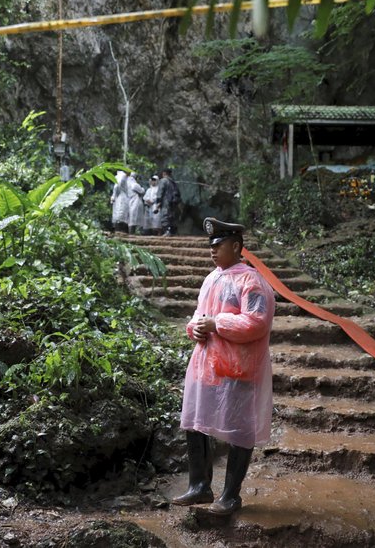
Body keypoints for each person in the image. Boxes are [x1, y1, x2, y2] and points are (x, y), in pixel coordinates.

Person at [172, 217, 275, 516]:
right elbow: (198, 316)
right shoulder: (211, 278)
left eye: (219, 245)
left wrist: (217, 324)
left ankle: (231, 496)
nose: (213, 251)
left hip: (239, 369)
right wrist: (196, 328)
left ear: (236, 246)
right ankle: (199, 487)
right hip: (206, 366)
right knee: (195, 423)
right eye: (211, 246)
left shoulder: (251, 280)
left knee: (241, 429)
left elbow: (257, 322)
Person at [158, 168, 180, 236]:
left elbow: (160, 191)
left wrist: (158, 201)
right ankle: (172, 232)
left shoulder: (163, 181)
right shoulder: (173, 182)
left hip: (166, 201)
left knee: (165, 216)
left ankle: (167, 231)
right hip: (173, 202)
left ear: (164, 173)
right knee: (171, 217)